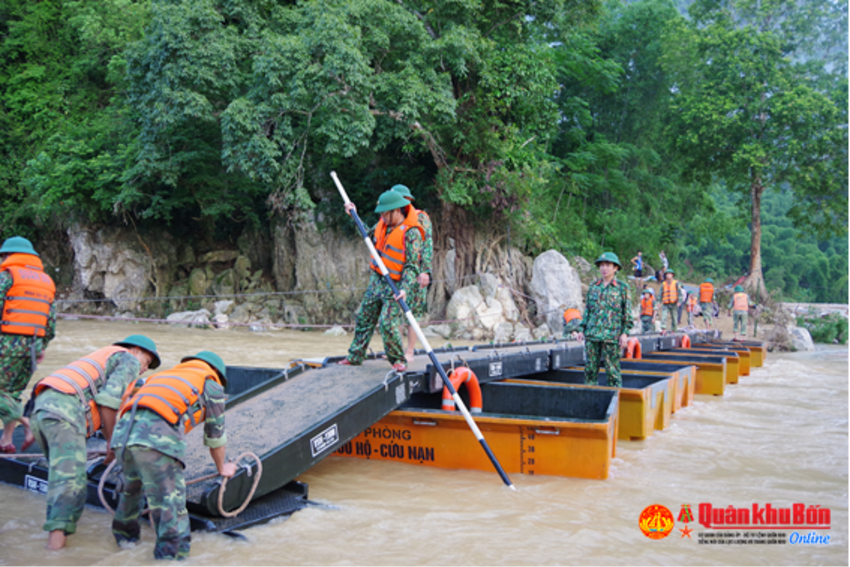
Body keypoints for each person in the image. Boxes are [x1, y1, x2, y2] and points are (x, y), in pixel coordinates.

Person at [29, 335, 161, 550]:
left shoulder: (102, 358)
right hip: (65, 413)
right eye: (147, 362)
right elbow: (108, 401)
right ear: (136, 350)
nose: (144, 368)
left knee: (61, 480)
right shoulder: (129, 359)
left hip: (42, 410)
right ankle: (54, 553)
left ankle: (63, 536)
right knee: (71, 484)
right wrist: (111, 441)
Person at [111, 351, 237, 560]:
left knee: (130, 492)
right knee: (170, 504)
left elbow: (126, 397)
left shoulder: (159, 376)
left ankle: (124, 544)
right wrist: (222, 467)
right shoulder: (211, 384)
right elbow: (215, 437)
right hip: (156, 440)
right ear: (215, 371)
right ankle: (172, 558)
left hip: (122, 436)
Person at [338, 190, 424, 372]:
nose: (382, 217)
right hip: (377, 280)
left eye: (385, 213)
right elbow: (368, 235)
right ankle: (355, 356)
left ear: (397, 211)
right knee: (364, 317)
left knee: (387, 323)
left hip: (395, 285)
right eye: (382, 214)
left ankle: (398, 360)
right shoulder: (382, 225)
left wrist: (405, 288)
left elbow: (412, 266)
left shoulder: (412, 233)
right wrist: (354, 216)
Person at [0, 236, 56, 454]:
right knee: (11, 393)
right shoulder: (46, 281)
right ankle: (6, 441)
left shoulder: (7, 276)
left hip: (6, 344)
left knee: (3, 395)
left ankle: (26, 423)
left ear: (8, 255)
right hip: (32, 346)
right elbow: (50, 323)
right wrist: (42, 347)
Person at [572, 252, 632, 388]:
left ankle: (615, 397)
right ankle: (590, 396)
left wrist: (625, 333)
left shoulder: (622, 288)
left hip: (612, 337)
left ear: (615, 268)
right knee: (590, 371)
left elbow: (627, 314)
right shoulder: (594, 287)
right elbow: (588, 310)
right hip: (592, 336)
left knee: (613, 373)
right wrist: (581, 329)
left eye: (608, 265)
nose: (604, 268)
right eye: (602, 265)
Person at [391, 185, 432, 363]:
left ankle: (410, 351)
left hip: (416, 272)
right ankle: (397, 351)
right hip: (398, 272)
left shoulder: (421, 218)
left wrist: (425, 271)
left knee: (413, 313)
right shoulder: (393, 219)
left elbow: (427, 245)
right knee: (395, 311)